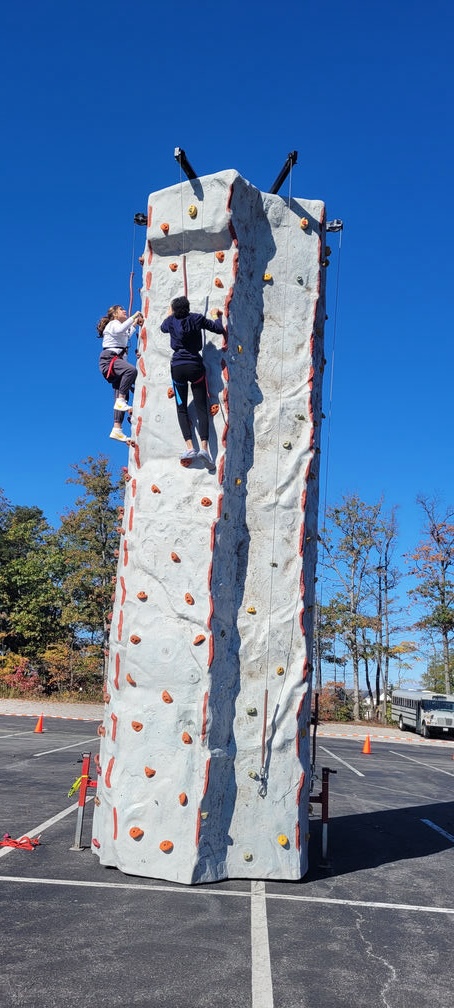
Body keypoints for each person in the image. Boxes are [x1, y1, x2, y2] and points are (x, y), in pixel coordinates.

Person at [160, 296, 226, 467]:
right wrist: (216, 315)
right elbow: (219, 329)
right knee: (201, 407)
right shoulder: (196, 318)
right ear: (188, 308)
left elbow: (162, 327)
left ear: (174, 310)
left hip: (178, 369)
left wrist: (170, 313)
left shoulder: (171, 322)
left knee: (181, 408)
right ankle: (204, 447)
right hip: (195, 367)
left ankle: (190, 447)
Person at [97, 305, 144, 442]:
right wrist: (134, 316)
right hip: (109, 359)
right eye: (121, 310)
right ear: (115, 314)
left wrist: (135, 323)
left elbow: (126, 334)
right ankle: (120, 401)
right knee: (131, 371)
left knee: (122, 394)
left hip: (114, 361)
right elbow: (120, 329)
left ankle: (117, 428)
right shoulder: (113, 324)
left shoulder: (118, 327)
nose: (124, 311)